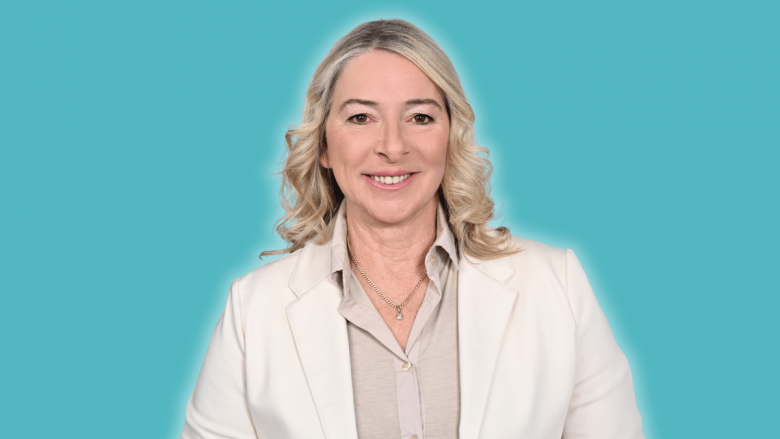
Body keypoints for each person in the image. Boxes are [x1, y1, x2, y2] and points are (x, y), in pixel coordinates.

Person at [181, 19, 644, 439]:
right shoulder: (253, 311)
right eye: (361, 117)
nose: (392, 146)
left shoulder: (557, 287)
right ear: (323, 145)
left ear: (451, 136)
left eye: (420, 117)